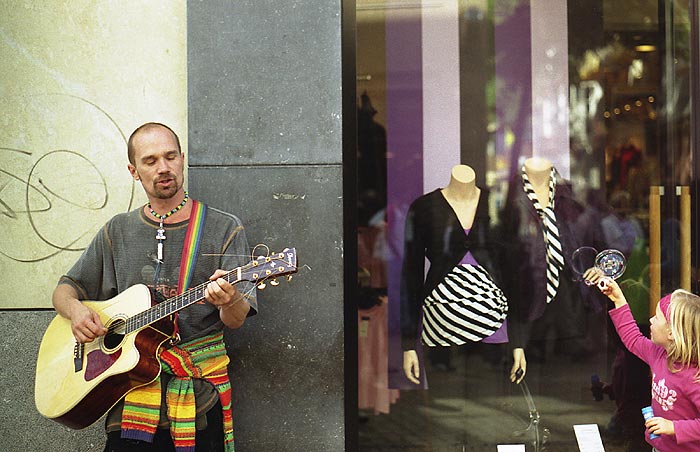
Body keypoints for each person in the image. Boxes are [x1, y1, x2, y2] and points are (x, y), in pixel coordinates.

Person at [51, 122, 257, 451]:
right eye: (150, 161)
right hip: (127, 395)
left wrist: (229, 300)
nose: (163, 168)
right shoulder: (117, 230)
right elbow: (65, 290)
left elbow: (236, 319)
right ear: (134, 171)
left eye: (170, 156)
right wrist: (76, 312)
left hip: (198, 398)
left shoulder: (223, 227)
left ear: (182, 159)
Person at [400, 164, 525, 385]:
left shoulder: (500, 206)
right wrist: (408, 343)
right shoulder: (424, 208)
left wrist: (518, 342)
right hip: (441, 320)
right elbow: (411, 274)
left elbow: (513, 275)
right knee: (444, 400)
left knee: (493, 399)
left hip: (494, 319)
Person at [585, 270, 700, 451]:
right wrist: (618, 299)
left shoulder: (694, 377)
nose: (651, 320)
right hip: (660, 447)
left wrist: (674, 427)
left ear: (671, 333)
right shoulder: (659, 354)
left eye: (657, 317)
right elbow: (633, 338)